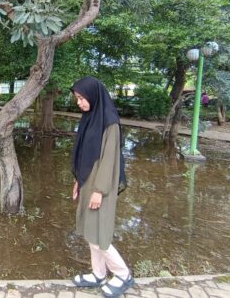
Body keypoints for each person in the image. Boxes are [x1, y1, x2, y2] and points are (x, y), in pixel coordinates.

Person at [69, 76, 134, 297]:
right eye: (77, 98)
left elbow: (109, 160)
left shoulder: (109, 122)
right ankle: (98, 274)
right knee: (90, 231)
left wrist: (99, 190)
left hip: (100, 186)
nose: (79, 103)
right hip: (88, 182)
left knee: (99, 234)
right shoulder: (89, 118)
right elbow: (84, 154)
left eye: (81, 98)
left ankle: (123, 274)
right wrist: (78, 179)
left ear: (93, 95)